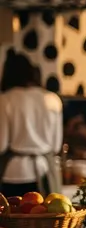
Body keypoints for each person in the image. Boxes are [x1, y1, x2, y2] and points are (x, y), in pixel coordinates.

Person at [0, 51, 63, 195]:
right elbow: (56, 145)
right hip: (45, 172)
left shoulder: (5, 99)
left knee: (14, 215)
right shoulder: (52, 99)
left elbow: (1, 145)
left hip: (13, 173)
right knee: (45, 215)